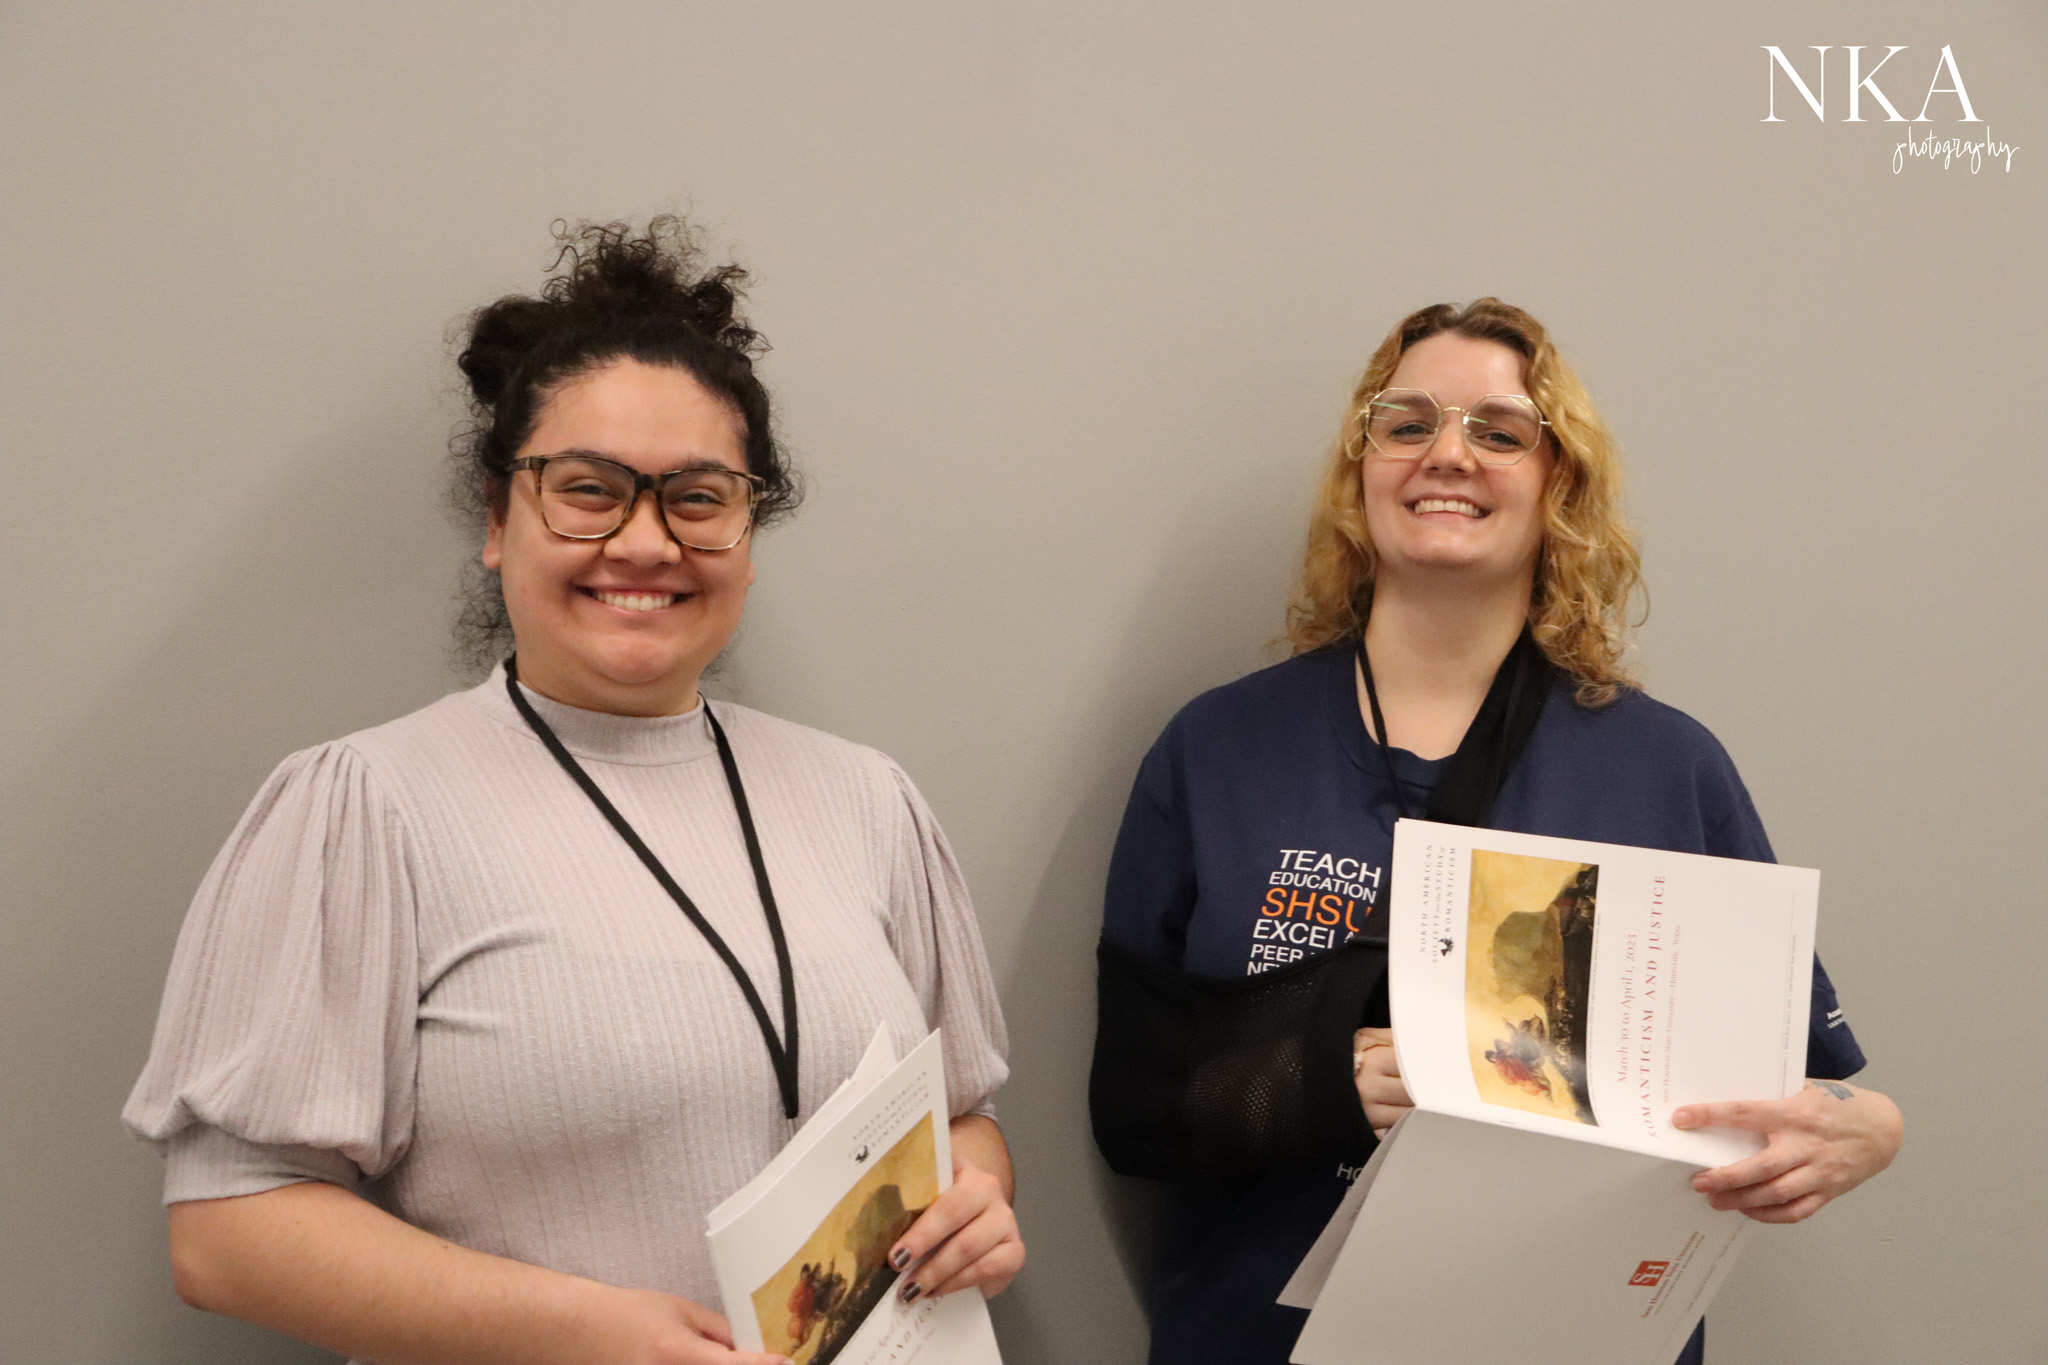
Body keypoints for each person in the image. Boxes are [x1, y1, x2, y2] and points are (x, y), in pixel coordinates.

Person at [124, 219, 1023, 1365]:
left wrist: (975, 1205)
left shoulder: (862, 797)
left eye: (697, 498)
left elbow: (958, 1121)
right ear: (498, 523)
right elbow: (227, 1233)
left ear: (748, 535)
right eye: (589, 490)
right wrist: (589, 1334)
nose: (645, 542)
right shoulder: (367, 807)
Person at [1090, 298, 1901, 1365]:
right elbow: (1132, 1101)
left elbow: (1797, 1076)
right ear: (1360, 466)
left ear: (1555, 482)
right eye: (1406, 423)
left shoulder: (1662, 766)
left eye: (1498, 431)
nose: (1447, 454)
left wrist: (1869, 1131)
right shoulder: (1216, 746)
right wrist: (1324, 1082)